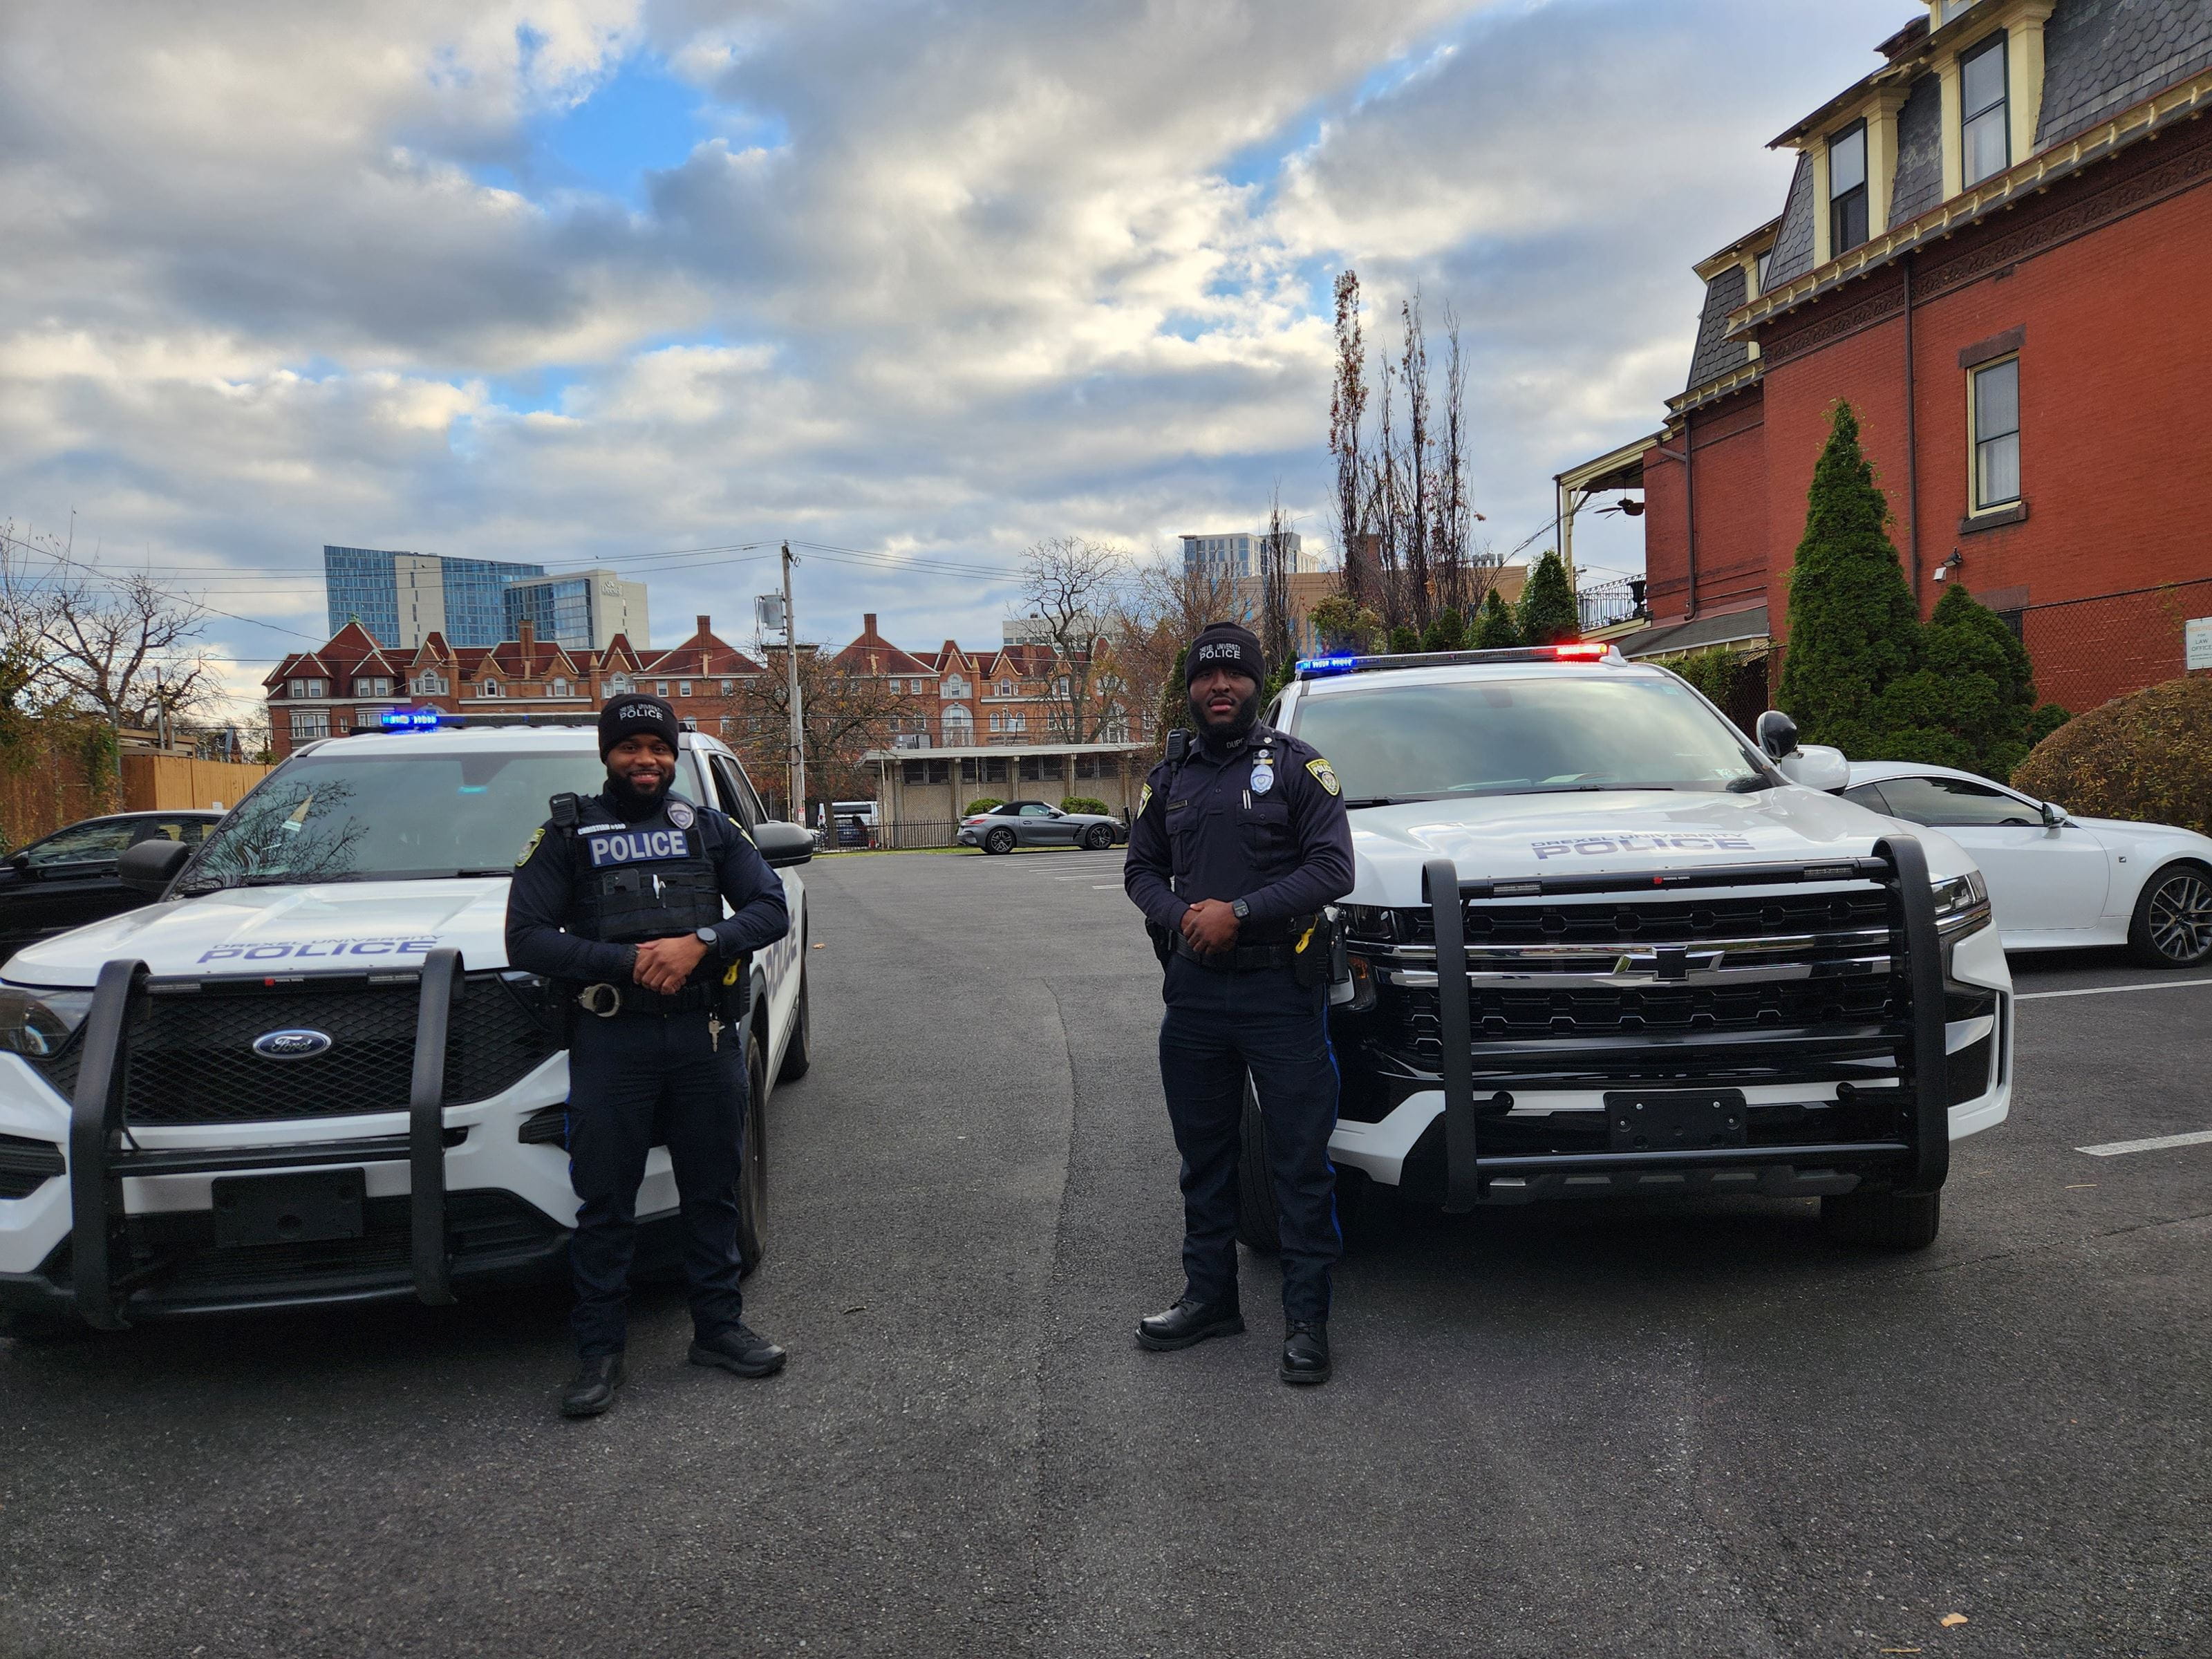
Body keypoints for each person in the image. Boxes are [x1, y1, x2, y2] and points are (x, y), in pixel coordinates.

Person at [506, 695, 792, 1418]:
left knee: (712, 1190)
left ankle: (718, 1330)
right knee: (605, 1202)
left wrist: (702, 943)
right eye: (630, 747)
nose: (646, 760)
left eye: (658, 748)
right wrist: (625, 962)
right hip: (613, 1042)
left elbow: (768, 908)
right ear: (607, 754)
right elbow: (527, 939)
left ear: (671, 756)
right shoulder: (567, 833)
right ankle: (599, 1353)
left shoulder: (709, 829)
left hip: (703, 1037)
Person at [1123, 621, 1356, 1385]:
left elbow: (1332, 868)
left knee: (1297, 1163)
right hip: (1192, 998)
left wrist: (1241, 913)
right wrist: (1181, 915)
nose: (1218, 687)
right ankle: (1209, 1299)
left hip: (1279, 996)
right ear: (1190, 689)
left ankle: (1306, 1322)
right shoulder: (1171, 778)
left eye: (1233, 676)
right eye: (1204, 677)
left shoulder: (1296, 767)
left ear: (1256, 684)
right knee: (1204, 1161)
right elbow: (1140, 871)